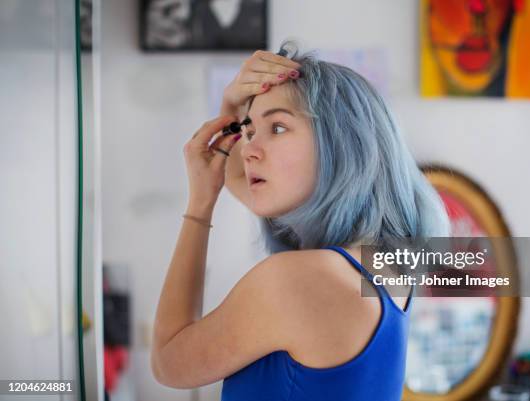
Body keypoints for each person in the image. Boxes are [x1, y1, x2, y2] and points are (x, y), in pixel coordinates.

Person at [151, 41, 450, 401]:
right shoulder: (381, 266)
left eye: (277, 128)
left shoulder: (300, 280)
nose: (248, 149)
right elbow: (233, 177)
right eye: (247, 133)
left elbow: (168, 360)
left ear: (341, 143)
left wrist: (199, 205)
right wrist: (232, 106)